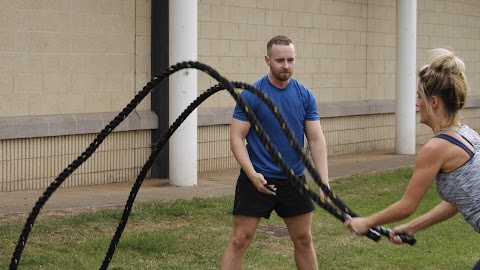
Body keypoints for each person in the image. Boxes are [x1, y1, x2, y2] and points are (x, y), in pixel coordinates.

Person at [344, 48, 480, 270]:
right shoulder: (469, 134)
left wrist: (366, 222)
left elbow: (407, 205)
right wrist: (413, 227)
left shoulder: (436, 147)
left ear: (434, 102)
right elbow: (457, 201)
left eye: (419, 97)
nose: (417, 104)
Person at [219, 35, 330, 270]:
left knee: (303, 239)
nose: (286, 65)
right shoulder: (252, 94)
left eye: (291, 60)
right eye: (280, 60)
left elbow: (316, 139)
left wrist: (323, 182)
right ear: (267, 60)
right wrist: (251, 174)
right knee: (240, 239)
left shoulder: (304, 95)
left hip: (294, 179)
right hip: (258, 178)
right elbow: (236, 138)